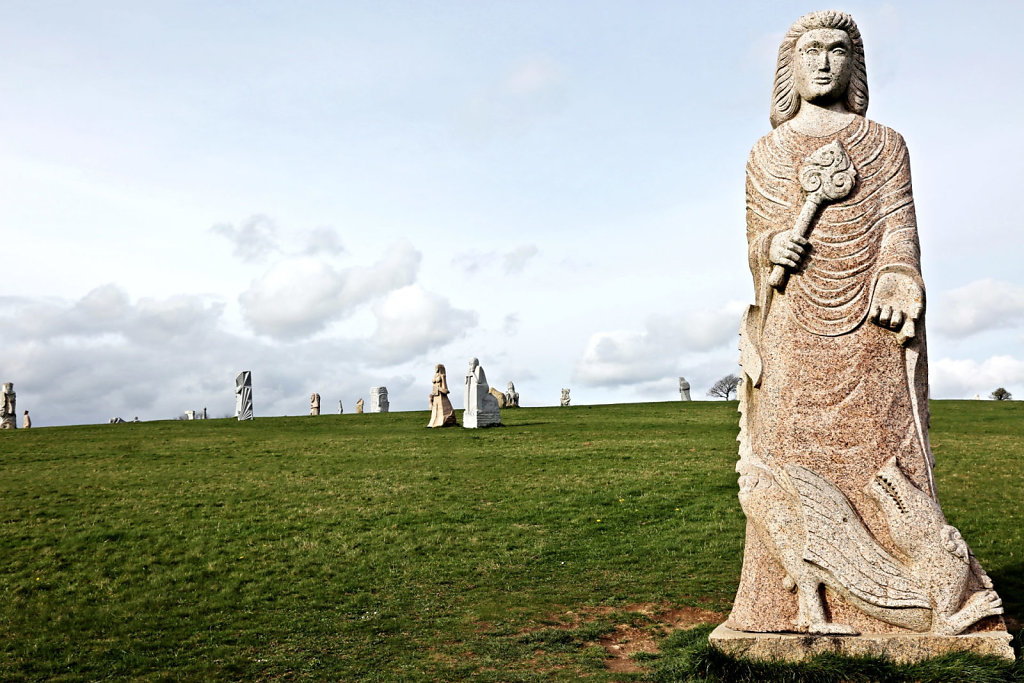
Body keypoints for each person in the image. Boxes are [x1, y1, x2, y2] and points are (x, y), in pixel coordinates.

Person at [727, 10, 1000, 636]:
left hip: (870, 331)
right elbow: (755, 241)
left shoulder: (885, 144)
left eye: (838, 50)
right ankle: (786, 595)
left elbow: (901, 228)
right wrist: (770, 248)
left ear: (855, 64)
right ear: (789, 69)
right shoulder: (765, 155)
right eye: (811, 51)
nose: (824, 61)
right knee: (784, 468)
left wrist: (898, 273)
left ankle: (930, 588)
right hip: (794, 328)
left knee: (887, 458)